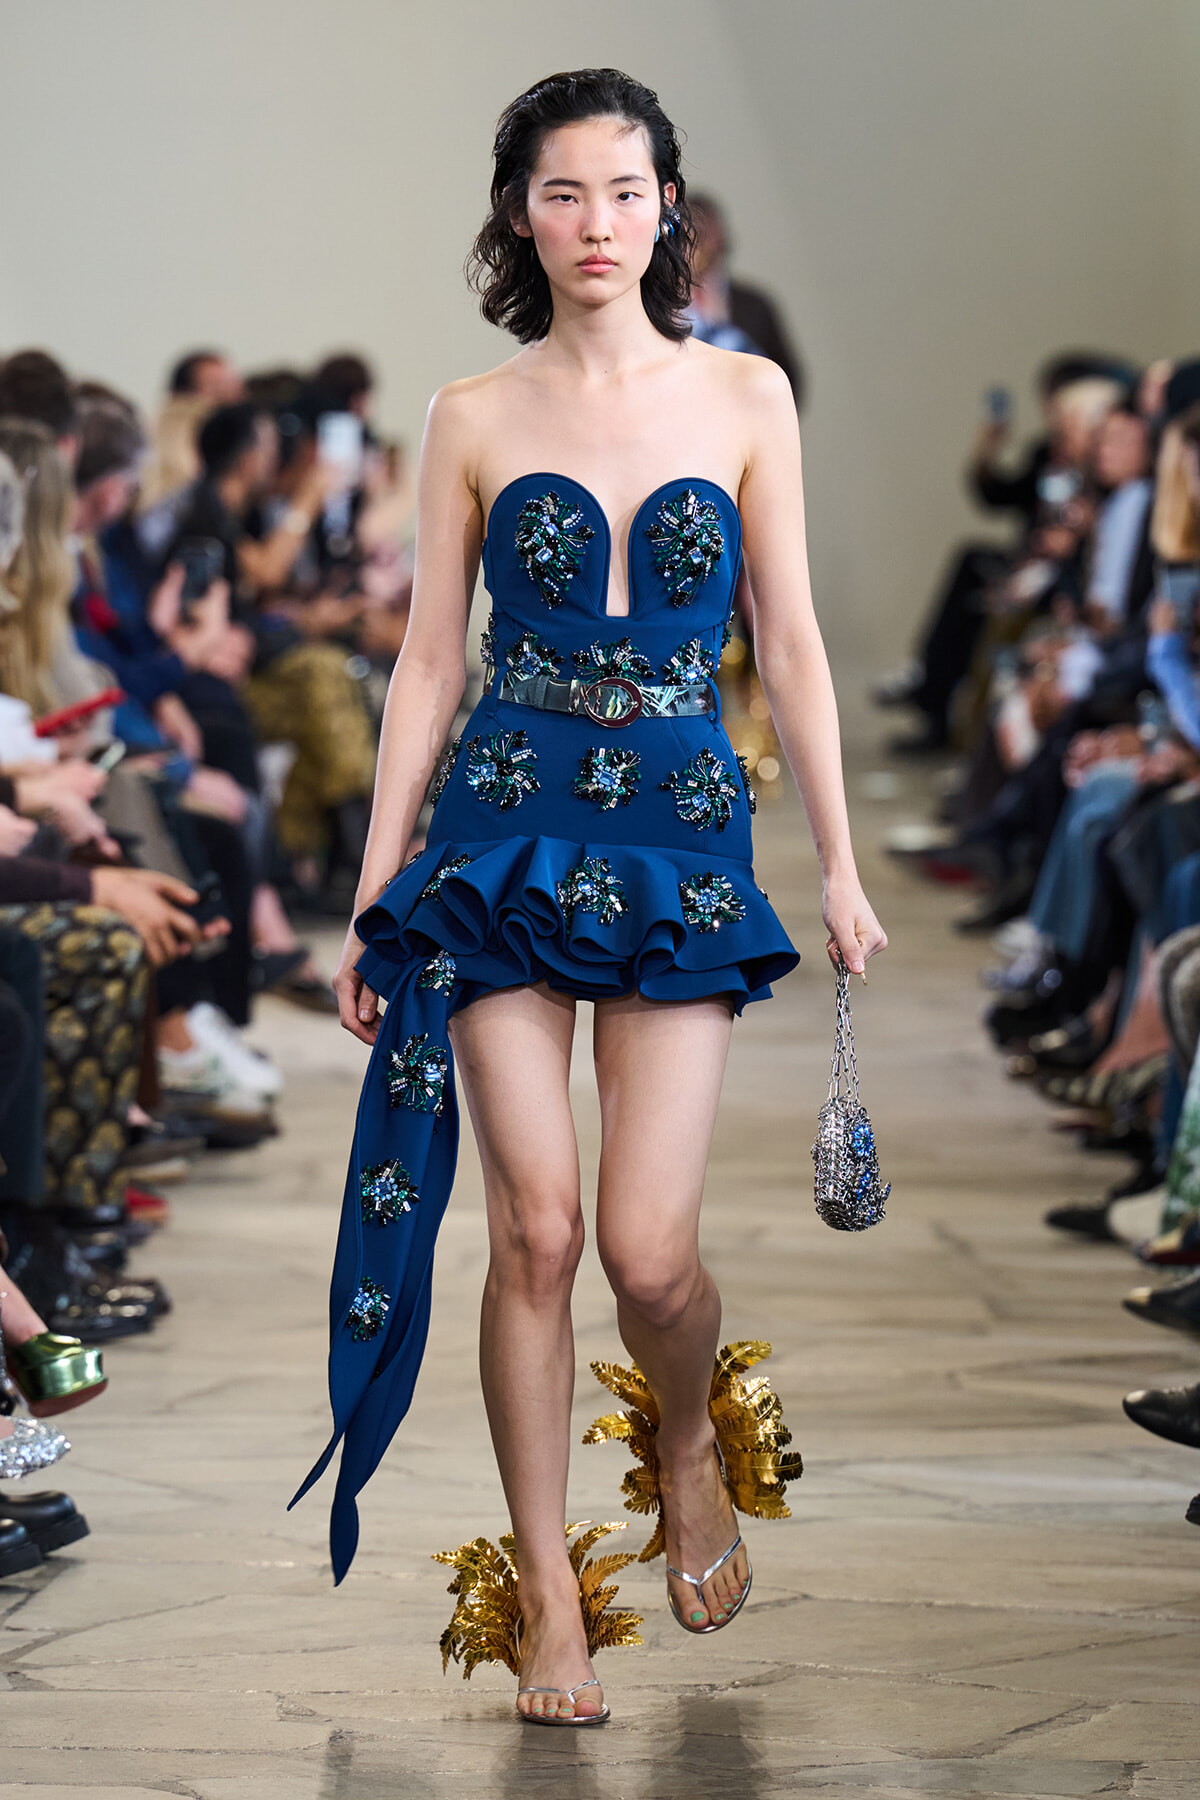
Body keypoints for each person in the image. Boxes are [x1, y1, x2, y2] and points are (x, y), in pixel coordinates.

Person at [292, 70, 886, 1727]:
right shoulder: (472, 413)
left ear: (667, 207)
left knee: (647, 1251)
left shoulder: (748, 394)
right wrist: (377, 883)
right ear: (520, 217)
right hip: (501, 832)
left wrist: (841, 866)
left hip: (685, 840)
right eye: (563, 193)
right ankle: (550, 1594)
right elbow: (429, 661)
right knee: (538, 1232)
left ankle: (686, 1438)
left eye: (626, 191)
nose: (598, 223)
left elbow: (793, 644)